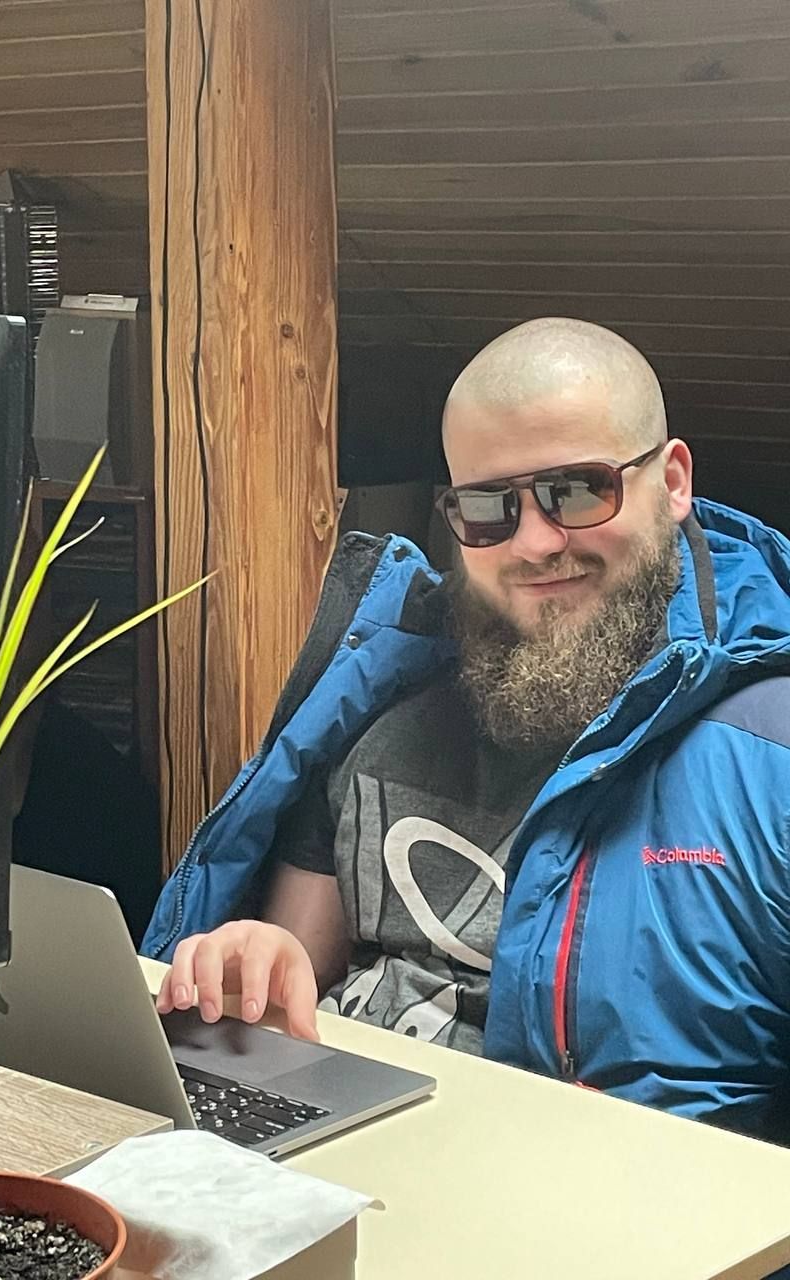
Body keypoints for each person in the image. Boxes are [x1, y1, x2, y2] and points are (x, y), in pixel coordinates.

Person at [142, 316, 790, 1142]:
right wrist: (252, 963)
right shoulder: (380, 689)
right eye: (490, 509)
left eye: (577, 491)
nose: (535, 543)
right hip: (336, 1158)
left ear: (671, 481)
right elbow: (289, 976)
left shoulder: (769, 752)